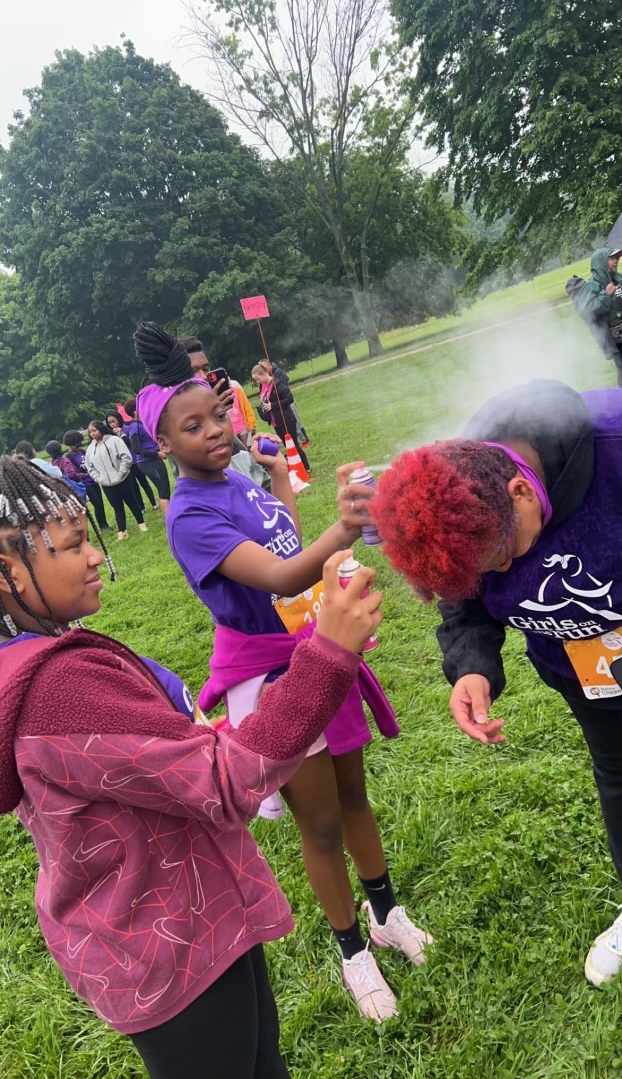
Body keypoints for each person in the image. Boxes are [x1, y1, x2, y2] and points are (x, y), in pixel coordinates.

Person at [0, 455, 380, 1079]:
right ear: (9, 571)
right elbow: (224, 780)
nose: (95, 556)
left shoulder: (34, 663)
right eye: (72, 546)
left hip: (182, 926)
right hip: (170, 949)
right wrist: (327, 652)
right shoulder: (59, 686)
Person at [133, 321, 432, 1024]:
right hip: (272, 680)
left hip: (317, 650)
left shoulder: (238, 483)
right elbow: (277, 573)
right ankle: (352, 951)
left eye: (217, 414)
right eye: (193, 425)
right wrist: (348, 526)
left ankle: (386, 912)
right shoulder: (189, 515)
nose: (215, 430)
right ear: (164, 444)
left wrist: (275, 480)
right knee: (321, 822)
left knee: (355, 795)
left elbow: (287, 540)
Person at [372, 377, 622, 990]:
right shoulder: (457, 509)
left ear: (519, 489)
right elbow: (465, 605)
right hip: (586, 667)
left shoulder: (612, 441)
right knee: (618, 771)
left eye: (505, 554)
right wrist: (474, 666)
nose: (508, 572)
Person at [179, 336, 269, 489]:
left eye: (206, 369)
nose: (203, 376)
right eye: (193, 371)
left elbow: (258, 476)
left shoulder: (215, 406)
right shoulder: (176, 423)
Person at [85, 421, 147, 540]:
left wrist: (121, 473)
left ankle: (142, 524)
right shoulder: (90, 449)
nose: (92, 434)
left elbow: (126, 457)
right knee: (117, 507)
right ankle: (122, 532)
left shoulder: (114, 440)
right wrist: (99, 478)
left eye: (94, 431)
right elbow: (90, 467)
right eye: (90, 432)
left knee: (132, 502)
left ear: (101, 429)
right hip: (106, 484)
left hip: (123, 479)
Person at [574, 248, 622, 385]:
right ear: (601, 262)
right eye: (611, 258)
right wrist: (605, 295)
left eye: (616, 258)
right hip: (613, 338)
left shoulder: (618, 278)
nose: (616, 261)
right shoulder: (591, 286)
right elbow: (587, 312)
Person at [251, 364, 311, 474]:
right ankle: (296, 467)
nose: (257, 382)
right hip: (276, 422)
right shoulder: (263, 386)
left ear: (263, 374)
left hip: (286, 419)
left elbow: (289, 398)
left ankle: (306, 467)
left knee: (293, 444)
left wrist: (273, 405)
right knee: (287, 446)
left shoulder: (277, 384)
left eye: (258, 379)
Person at [124, 398, 171, 514]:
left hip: (154, 460)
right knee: (163, 490)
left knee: (165, 488)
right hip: (148, 462)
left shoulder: (141, 424)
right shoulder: (135, 427)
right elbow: (136, 448)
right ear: (135, 411)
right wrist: (156, 454)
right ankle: (169, 517)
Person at [106, 408, 158, 513]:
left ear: (118, 420)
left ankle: (153, 503)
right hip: (126, 465)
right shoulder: (110, 436)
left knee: (144, 483)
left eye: (113, 421)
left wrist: (122, 435)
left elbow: (132, 445)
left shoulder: (128, 429)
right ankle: (141, 507)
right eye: (109, 422)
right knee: (134, 487)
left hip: (136, 460)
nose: (112, 424)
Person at [63, 430, 111, 531]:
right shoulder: (69, 457)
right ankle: (102, 527)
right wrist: (84, 471)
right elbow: (73, 472)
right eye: (76, 445)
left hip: (93, 479)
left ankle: (105, 524)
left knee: (101, 503)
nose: (79, 446)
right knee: (97, 504)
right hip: (84, 483)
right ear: (71, 445)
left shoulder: (82, 452)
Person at [257, 359, 310, 448]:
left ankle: (304, 439)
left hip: (285, 402)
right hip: (276, 408)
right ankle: (294, 444)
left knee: (295, 421)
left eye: (264, 366)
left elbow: (284, 385)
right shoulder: (264, 380)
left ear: (268, 366)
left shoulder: (277, 372)